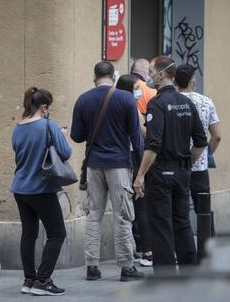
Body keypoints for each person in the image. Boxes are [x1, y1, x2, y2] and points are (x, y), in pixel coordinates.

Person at [133, 56, 208, 275]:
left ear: (162, 74)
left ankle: (166, 278)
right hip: (183, 172)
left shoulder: (157, 103)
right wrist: (188, 162)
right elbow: (201, 141)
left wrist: (140, 176)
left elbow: (153, 144)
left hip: (162, 173)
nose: (149, 75)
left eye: (151, 71)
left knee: (161, 225)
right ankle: (189, 272)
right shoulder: (187, 102)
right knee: (182, 222)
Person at [71, 61, 145, 282]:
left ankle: (91, 266)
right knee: (123, 216)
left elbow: (77, 136)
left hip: (94, 164)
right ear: (113, 76)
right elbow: (136, 136)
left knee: (93, 215)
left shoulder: (83, 99)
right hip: (119, 164)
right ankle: (126, 266)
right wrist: (141, 172)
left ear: (94, 77)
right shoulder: (125, 99)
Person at [11, 87, 70, 296]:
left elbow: (19, 153)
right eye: (48, 107)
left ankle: (29, 279)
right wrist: (63, 136)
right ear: (44, 107)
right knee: (57, 233)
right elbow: (65, 152)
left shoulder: (18, 127)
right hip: (41, 189)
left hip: (20, 188)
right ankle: (43, 280)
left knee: (29, 233)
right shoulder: (48, 125)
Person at [175, 64, 221, 236]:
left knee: (178, 212)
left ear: (175, 81)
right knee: (203, 210)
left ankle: (181, 250)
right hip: (199, 167)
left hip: (176, 166)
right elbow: (216, 136)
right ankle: (209, 247)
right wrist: (206, 155)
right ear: (192, 82)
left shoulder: (169, 101)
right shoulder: (206, 102)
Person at [116, 74, 153, 267]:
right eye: (137, 87)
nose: (140, 91)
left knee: (127, 207)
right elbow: (145, 137)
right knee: (140, 206)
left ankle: (137, 249)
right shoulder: (132, 110)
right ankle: (147, 251)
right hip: (133, 160)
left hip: (120, 161)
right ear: (129, 90)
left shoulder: (117, 108)